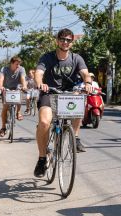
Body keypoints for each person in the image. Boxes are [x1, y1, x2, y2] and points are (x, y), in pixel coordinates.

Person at [33, 28, 93, 177]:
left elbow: (85, 73)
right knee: (44, 123)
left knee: (80, 98)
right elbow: (38, 74)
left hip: (69, 94)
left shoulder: (76, 58)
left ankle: (76, 137)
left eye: (68, 40)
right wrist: (41, 83)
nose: (65, 42)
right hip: (50, 93)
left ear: (71, 43)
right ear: (57, 40)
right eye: (62, 39)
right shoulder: (47, 57)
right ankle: (42, 158)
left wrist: (88, 83)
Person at [0, 56, 27, 137]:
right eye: (17, 64)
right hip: (6, 89)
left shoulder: (21, 69)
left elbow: (23, 79)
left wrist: (24, 86)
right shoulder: (4, 69)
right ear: (11, 63)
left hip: (16, 88)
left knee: (19, 94)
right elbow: (1, 78)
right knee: (5, 108)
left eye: (19, 64)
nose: (18, 66)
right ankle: (3, 127)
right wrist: (0, 86)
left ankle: (18, 112)